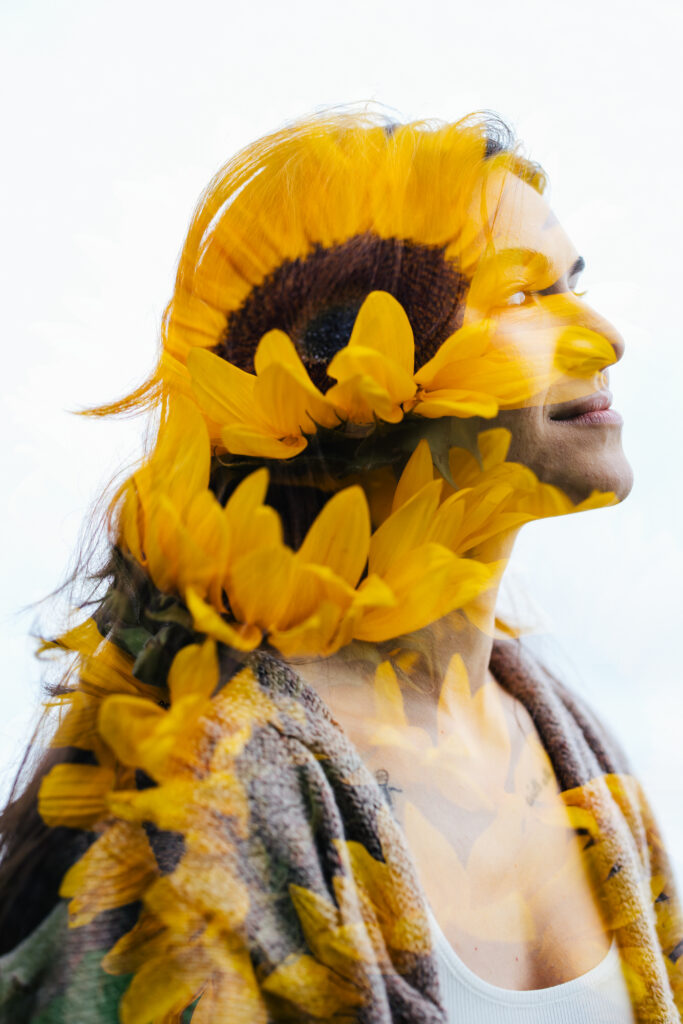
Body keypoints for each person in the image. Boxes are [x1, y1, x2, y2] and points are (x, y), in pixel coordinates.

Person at [0, 110, 681, 1023]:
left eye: (574, 286)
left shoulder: (561, 734)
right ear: (355, 376)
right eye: (522, 297)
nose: (603, 336)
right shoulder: (199, 800)